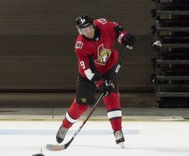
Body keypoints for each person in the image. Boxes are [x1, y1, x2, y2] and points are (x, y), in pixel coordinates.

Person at [56, 14, 135, 148]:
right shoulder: (80, 45)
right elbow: (88, 69)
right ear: (80, 31)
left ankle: (117, 131)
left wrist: (124, 37)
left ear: (93, 25)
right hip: (88, 75)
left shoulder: (104, 25)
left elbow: (117, 31)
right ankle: (65, 126)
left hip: (108, 68)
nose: (88, 32)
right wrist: (101, 84)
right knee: (81, 105)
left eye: (89, 28)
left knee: (112, 97)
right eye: (84, 30)